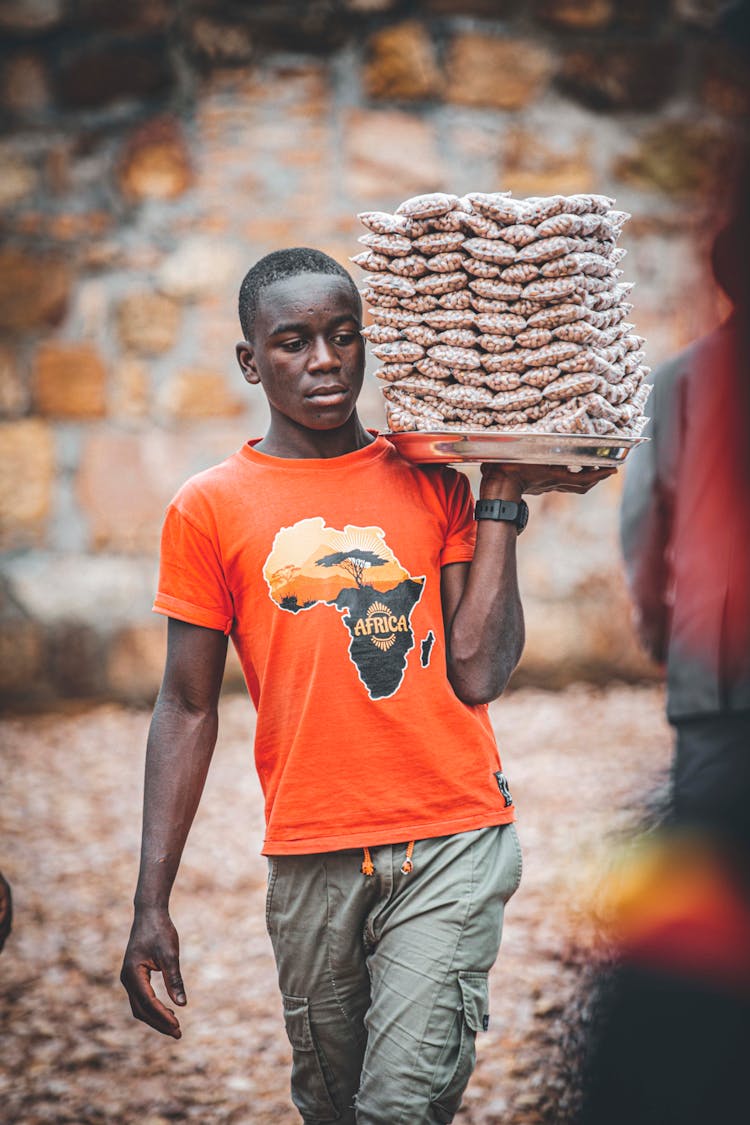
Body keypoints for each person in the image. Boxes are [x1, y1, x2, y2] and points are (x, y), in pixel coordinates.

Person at [120, 247, 613, 1124]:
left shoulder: (431, 480)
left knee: (398, 1108)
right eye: (294, 341)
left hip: (454, 835)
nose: (324, 361)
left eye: (344, 337)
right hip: (310, 852)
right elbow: (187, 705)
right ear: (250, 361)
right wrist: (151, 900)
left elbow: (479, 670)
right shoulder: (209, 507)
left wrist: (498, 492)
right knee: (333, 1104)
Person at [620, 221, 750, 845]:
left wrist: (655, 622)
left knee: (709, 845)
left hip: (715, 658)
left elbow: (643, 514)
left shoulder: (681, 381)